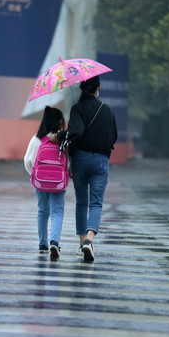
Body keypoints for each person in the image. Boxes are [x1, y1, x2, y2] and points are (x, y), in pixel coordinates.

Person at [56, 75, 117, 261]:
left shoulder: (77, 109)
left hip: (81, 159)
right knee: (96, 202)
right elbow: (113, 137)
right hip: (100, 161)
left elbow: (74, 134)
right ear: (97, 88)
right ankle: (89, 240)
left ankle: (82, 241)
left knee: (81, 201)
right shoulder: (106, 110)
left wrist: (59, 136)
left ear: (83, 88)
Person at [24, 106, 66, 257]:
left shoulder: (36, 139)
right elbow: (69, 162)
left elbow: (27, 161)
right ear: (60, 121)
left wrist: (34, 177)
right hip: (58, 183)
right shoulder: (62, 139)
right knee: (57, 211)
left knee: (42, 211)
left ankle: (43, 244)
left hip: (40, 182)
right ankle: (54, 242)